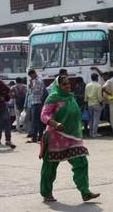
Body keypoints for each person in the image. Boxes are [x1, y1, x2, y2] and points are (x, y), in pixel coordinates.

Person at [39, 75, 100, 203]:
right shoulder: (53, 97)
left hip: (72, 138)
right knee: (50, 167)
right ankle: (46, 192)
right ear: (58, 86)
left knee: (81, 162)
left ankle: (85, 192)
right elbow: (44, 115)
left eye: (68, 84)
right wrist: (55, 124)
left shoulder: (70, 97)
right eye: (64, 84)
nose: (68, 86)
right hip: (55, 138)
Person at [28, 69, 47, 143]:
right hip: (35, 102)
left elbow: (35, 91)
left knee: (35, 121)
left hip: (37, 102)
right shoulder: (35, 81)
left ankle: (35, 137)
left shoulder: (38, 81)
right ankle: (39, 137)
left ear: (34, 74)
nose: (31, 77)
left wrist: (31, 85)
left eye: (31, 75)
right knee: (38, 121)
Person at [85, 73, 103, 138]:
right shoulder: (98, 85)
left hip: (89, 104)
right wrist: (101, 102)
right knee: (96, 119)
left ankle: (91, 133)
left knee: (91, 119)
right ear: (97, 78)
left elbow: (86, 96)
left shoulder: (87, 85)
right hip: (97, 104)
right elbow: (99, 97)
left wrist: (86, 103)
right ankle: (94, 133)